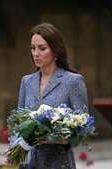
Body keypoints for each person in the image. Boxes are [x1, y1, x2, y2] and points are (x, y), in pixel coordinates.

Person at [17, 23, 88, 169]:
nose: (36, 53)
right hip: (29, 163)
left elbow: (83, 129)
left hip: (59, 162)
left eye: (42, 48)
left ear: (55, 50)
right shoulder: (26, 81)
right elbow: (19, 125)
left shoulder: (73, 81)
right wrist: (16, 151)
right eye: (33, 48)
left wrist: (63, 139)